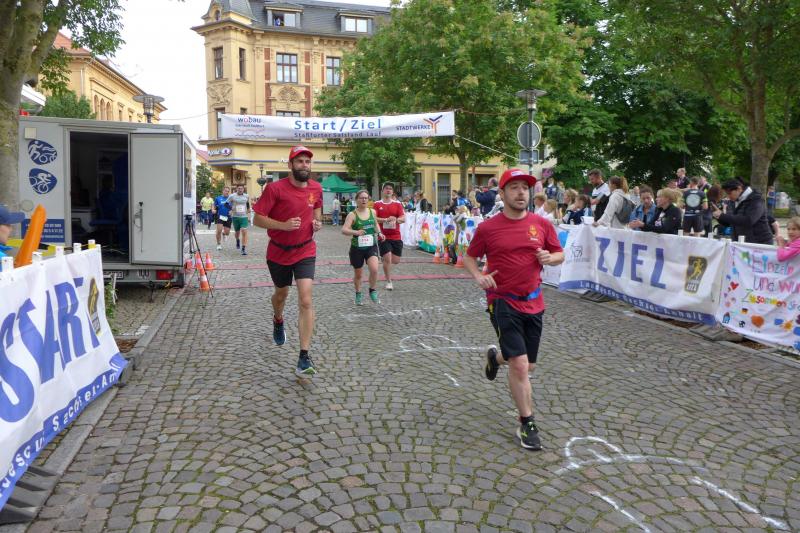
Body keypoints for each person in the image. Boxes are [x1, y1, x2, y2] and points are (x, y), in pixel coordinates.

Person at [463, 168, 564, 450]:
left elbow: (559, 254)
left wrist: (551, 257)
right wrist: (479, 276)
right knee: (520, 365)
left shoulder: (541, 225)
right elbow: (470, 257)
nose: (521, 193)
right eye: (514, 187)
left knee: (528, 364)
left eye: (525, 188)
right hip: (502, 300)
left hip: (534, 301)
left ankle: (496, 359)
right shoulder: (488, 228)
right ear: (503, 193)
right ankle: (527, 422)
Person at [252, 146, 323, 377]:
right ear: (290, 165)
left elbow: (316, 209)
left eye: (307, 161)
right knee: (281, 294)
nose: (304, 165)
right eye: (300, 161)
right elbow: (257, 219)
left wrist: (317, 223)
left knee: (305, 299)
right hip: (279, 252)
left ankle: (304, 356)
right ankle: (278, 319)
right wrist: (283, 225)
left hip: (305, 250)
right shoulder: (275, 189)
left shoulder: (316, 188)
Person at [342, 190, 383, 304]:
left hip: (371, 246)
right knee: (358, 274)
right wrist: (356, 232)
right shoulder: (352, 214)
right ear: (357, 200)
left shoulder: (372, 211)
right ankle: (358, 293)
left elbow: (375, 224)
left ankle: (372, 290)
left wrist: (379, 233)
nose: (364, 200)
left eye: (366, 198)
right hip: (357, 248)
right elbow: (344, 230)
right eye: (361, 198)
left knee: (374, 269)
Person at [712, 179, 774, 244]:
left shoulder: (756, 199)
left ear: (739, 189)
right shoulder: (733, 201)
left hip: (759, 242)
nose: (728, 197)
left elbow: (749, 220)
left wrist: (723, 216)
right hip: (740, 242)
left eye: (729, 193)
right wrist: (718, 216)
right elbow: (731, 222)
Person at [374, 182, 406, 290]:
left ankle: (384, 260)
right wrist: (385, 220)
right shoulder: (377, 204)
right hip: (383, 236)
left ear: (392, 192)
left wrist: (396, 220)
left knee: (395, 260)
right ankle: (389, 281)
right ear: (382, 191)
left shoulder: (397, 204)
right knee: (387, 257)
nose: (388, 190)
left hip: (396, 236)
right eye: (386, 188)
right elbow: (373, 219)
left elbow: (403, 218)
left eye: (390, 189)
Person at [227, 185, 250, 255]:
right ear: (236, 189)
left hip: (244, 217)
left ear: (243, 189)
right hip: (235, 217)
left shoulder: (246, 196)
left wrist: (248, 209)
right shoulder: (232, 196)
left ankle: (243, 248)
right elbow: (226, 204)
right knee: (237, 233)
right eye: (239, 188)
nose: (240, 190)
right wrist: (231, 209)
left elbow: (247, 203)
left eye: (241, 188)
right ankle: (237, 240)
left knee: (244, 231)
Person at [213, 186, 232, 251]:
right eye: (226, 191)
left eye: (228, 191)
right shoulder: (218, 198)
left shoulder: (230, 199)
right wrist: (213, 209)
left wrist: (232, 211)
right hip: (220, 216)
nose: (227, 192)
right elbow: (214, 205)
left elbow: (233, 207)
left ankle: (224, 233)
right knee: (219, 230)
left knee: (227, 233)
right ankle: (218, 244)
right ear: (223, 191)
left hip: (228, 217)